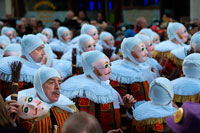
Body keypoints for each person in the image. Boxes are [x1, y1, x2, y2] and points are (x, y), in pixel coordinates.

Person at [61, 51, 136, 132]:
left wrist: (125, 105)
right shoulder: (85, 91)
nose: (110, 69)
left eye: (110, 65)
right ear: (92, 69)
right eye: (106, 66)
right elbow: (86, 126)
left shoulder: (103, 83)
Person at [6, 66, 78, 132]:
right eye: (51, 82)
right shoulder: (21, 105)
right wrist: (11, 122)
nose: (57, 87)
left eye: (59, 83)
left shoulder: (68, 106)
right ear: (39, 86)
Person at [0, 34, 45, 99]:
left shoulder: (40, 69)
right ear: (29, 50)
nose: (43, 53)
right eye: (39, 49)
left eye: (43, 48)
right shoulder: (8, 63)